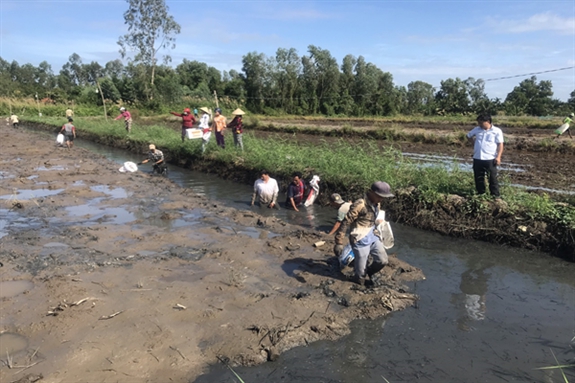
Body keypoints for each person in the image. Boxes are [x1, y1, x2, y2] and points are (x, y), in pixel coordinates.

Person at [334, 181, 394, 286]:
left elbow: (370, 219)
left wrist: (377, 224)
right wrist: (339, 242)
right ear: (371, 193)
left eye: (383, 197)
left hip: (372, 234)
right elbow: (345, 222)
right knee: (360, 275)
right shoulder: (360, 204)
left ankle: (369, 272)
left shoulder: (377, 203)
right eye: (380, 196)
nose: (381, 199)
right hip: (360, 237)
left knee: (383, 260)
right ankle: (359, 278)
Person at [466, 114, 504, 199]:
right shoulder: (477, 129)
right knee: (479, 178)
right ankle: (481, 195)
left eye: (481, 123)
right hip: (478, 157)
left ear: (488, 122)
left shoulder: (497, 131)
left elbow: (500, 145)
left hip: (490, 158)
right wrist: (474, 143)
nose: (479, 124)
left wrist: (498, 157)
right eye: (479, 123)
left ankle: (495, 197)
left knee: (492, 178)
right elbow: (468, 136)